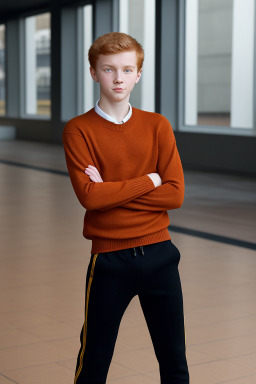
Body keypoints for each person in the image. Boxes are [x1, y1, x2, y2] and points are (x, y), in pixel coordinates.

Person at [62, 32, 189, 384]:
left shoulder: (158, 126)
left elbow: (175, 195)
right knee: (94, 361)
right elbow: (90, 198)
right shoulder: (78, 131)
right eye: (108, 69)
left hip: (161, 255)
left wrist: (110, 189)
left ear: (138, 74)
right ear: (93, 72)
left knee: (174, 361)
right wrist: (150, 181)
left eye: (127, 70)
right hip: (109, 260)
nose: (118, 78)